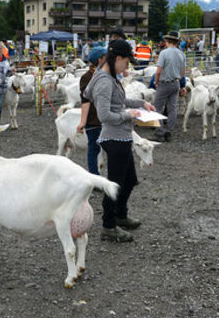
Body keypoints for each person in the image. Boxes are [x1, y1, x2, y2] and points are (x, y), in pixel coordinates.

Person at [84, 40, 155, 242]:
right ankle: (108, 226)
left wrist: (142, 104)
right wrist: (129, 115)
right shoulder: (105, 82)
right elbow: (105, 115)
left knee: (129, 181)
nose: (127, 66)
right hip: (114, 138)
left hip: (122, 136)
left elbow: (119, 101)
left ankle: (121, 216)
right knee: (114, 185)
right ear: (117, 59)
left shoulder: (110, 78)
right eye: (126, 61)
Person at [77, 46, 107, 175]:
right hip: (93, 119)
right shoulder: (86, 77)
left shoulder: (106, 75)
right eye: (106, 57)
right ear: (100, 60)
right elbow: (85, 100)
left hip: (106, 118)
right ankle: (95, 177)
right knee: (94, 149)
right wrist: (83, 122)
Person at [152, 31, 186, 143]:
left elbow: (158, 71)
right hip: (175, 83)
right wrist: (178, 80)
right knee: (172, 109)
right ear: (176, 42)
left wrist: (156, 82)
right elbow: (183, 72)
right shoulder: (181, 54)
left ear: (167, 41)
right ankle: (169, 131)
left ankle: (159, 132)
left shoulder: (164, 53)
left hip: (164, 83)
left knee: (157, 108)